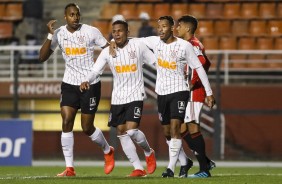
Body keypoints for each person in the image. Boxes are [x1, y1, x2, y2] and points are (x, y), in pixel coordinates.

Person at [39, 3, 115, 177]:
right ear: (65, 17)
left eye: (77, 15)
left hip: (90, 83)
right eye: (71, 15)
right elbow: (42, 57)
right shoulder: (59, 34)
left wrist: (100, 70)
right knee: (66, 120)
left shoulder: (91, 31)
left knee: (87, 127)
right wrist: (50, 35)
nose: (75, 17)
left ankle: (107, 150)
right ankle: (69, 168)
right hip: (69, 83)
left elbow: (107, 51)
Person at [137, 16, 215, 178]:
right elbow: (136, 40)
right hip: (163, 93)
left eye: (178, 26)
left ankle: (193, 167)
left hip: (186, 91)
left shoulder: (190, 45)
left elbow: (202, 65)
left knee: (186, 127)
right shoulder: (156, 42)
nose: (161, 29)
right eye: (159, 26)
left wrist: (203, 89)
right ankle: (194, 161)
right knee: (175, 130)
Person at [80, 20, 157, 177]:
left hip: (136, 94)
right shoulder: (108, 51)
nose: (117, 33)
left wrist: (169, 72)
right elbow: (96, 70)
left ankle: (149, 152)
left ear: (128, 32)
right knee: (121, 132)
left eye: (120, 31)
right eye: (114, 31)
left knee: (132, 131)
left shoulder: (138, 46)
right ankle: (138, 168)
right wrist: (87, 79)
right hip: (118, 98)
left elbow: (154, 62)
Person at [176, 15, 216, 178]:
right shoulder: (189, 44)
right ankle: (206, 162)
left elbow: (202, 61)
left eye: (179, 26)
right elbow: (207, 62)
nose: (176, 28)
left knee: (192, 126)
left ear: (187, 28)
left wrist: (193, 81)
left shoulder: (192, 44)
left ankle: (204, 170)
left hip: (194, 91)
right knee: (181, 128)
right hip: (190, 91)